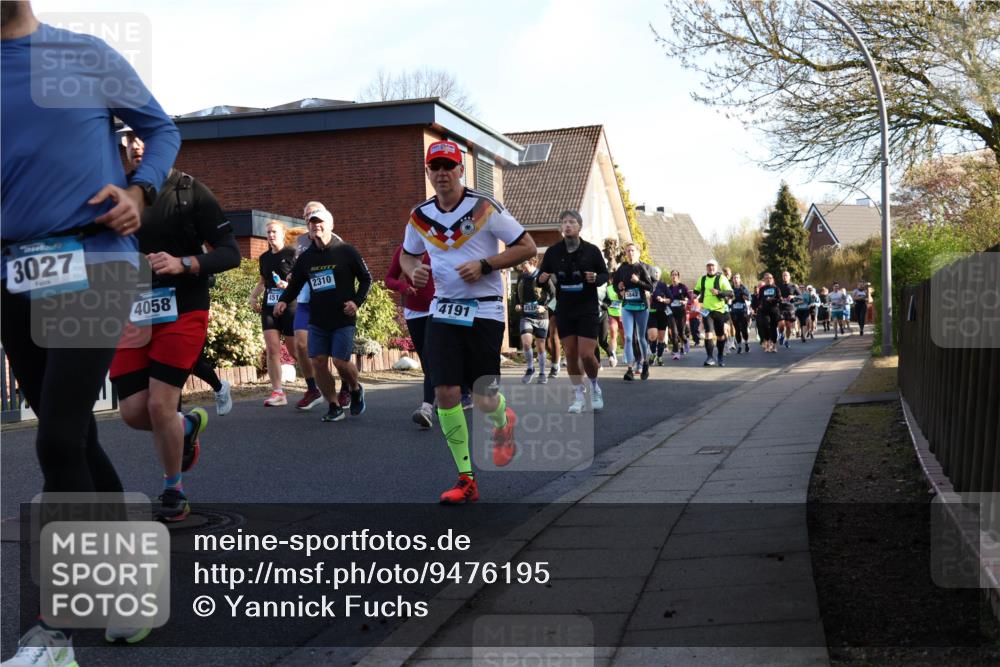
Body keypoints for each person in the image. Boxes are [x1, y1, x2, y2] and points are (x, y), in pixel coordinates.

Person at [1, 3, 181, 663]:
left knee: (54, 436)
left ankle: (57, 631)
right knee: (73, 431)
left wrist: (142, 188)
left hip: (95, 260)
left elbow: (161, 129)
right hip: (15, 270)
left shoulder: (82, 54)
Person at [399, 139, 536, 503]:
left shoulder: (484, 208)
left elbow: (527, 246)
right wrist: (413, 273)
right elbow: (407, 257)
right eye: (435, 167)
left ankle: (503, 422)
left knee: (483, 395)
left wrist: (486, 265)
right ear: (428, 173)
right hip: (443, 310)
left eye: (449, 166)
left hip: (486, 309)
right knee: (445, 391)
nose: (442, 174)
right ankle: (466, 479)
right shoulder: (420, 216)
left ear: (461, 170)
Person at [110, 143, 241, 523]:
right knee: (134, 412)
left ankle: (174, 489)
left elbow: (230, 252)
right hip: (133, 311)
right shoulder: (114, 191)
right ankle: (187, 425)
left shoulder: (189, 191)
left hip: (183, 308)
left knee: (159, 404)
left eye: (143, 137)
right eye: (127, 139)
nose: (135, 146)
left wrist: (184, 263)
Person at [274, 208, 371, 422]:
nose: (315, 225)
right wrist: (283, 300)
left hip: (342, 317)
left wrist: (356, 302)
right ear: (307, 228)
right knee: (318, 361)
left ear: (331, 225)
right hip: (317, 318)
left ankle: (355, 388)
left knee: (340, 362)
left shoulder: (346, 251)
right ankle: (334, 406)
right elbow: (296, 284)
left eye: (320, 222)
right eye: (311, 222)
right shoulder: (306, 258)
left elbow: (366, 279)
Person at [538, 210, 608, 413]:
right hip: (565, 308)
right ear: (561, 228)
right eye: (564, 222)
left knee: (586, 354)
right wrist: (540, 279)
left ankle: (594, 386)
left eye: (572, 222)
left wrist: (596, 278)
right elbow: (541, 277)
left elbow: (605, 275)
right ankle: (578, 395)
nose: (567, 225)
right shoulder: (553, 252)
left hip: (587, 308)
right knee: (570, 354)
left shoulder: (592, 251)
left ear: (579, 227)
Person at [249, 220, 302, 407]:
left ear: (282, 234)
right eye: (268, 232)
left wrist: (287, 286)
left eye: (274, 232)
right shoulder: (264, 258)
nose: (271, 235)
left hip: (290, 306)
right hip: (269, 307)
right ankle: (278, 392)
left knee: (296, 351)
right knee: (272, 349)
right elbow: (263, 281)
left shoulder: (292, 253)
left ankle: (315, 383)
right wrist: (253, 297)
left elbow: (300, 281)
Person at [613, 243, 653, 381]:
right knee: (629, 337)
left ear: (637, 253)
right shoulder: (622, 268)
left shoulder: (642, 267)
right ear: (625, 254)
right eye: (628, 251)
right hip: (627, 307)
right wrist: (619, 288)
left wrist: (638, 281)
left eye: (632, 250)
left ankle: (645, 363)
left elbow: (650, 287)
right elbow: (615, 284)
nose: (630, 253)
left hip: (641, 307)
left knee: (641, 337)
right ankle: (629, 369)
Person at [511, 256, 552, 384]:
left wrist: (545, 307)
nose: (521, 267)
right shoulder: (521, 277)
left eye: (523, 264)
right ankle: (530, 368)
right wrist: (517, 304)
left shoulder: (542, 276)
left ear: (532, 262)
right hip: (526, 315)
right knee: (526, 343)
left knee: (540, 346)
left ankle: (542, 373)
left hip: (541, 316)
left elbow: (555, 296)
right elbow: (517, 294)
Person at [693, 259, 734, 367]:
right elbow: (696, 291)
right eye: (709, 266)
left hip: (719, 310)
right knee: (708, 333)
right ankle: (710, 357)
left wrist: (719, 292)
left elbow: (730, 293)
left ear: (716, 267)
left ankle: (720, 355)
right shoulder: (702, 279)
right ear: (706, 268)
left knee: (720, 336)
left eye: (713, 266)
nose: (711, 268)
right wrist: (694, 296)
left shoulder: (721, 278)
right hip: (707, 311)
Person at [664, 270, 690, 359]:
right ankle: (676, 352)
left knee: (681, 333)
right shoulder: (669, 288)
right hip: (671, 313)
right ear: (671, 277)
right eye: (672, 275)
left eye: (675, 275)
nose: (674, 276)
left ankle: (685, 341)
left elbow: (690, 298)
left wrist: (685, 301)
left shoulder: (683, 287)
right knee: (674, 333)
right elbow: (666, 299)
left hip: (681, 313)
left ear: (678, 276)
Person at [647, 267, 670, 365]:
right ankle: (653, 353)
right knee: (652, 335)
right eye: (654, 272)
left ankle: (659, 357)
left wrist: (663, 300)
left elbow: (670, 299)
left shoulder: (663, 285)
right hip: (651, 313)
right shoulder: (647, 284)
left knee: (661, 338)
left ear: (660, 275)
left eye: (657, 272)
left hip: (662, 313)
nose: (656, 274)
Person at [755, 273, 781, 353]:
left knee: (773, 328)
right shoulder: (762, 289)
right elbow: (759, 299)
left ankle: (774, 345)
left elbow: (779, 299)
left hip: (773, 310)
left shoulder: (776, 288)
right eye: (766, 278)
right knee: (765, 326)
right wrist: (759, 305)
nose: (768, 279)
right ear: (764, 280)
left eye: (770, 278)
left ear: (772, 279)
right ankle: (767, 344)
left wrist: (772, 299)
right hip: (764, 310)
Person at [776, 270, 799, 348]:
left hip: (789, 307)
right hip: (781, 307)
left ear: (789, 277)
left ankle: (787, 340)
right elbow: (775, 295)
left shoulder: (793, 286)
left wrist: (793, 296)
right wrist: (779, 298)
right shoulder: (778, 286)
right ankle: (781, 335)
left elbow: (800, 296)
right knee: (781, 324)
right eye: (783, 275)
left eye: (786, 275)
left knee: (788, 326)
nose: (785, 277)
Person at [730, 273, 752, 353]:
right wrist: (730, 299)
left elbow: (749, 298)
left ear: (740, 279)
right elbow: (727, 299)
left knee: (744, 329)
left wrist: (745, 297)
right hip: (734, 311)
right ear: (732, 280)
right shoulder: (730, 288)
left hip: (743, 311)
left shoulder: (743, 288)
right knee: (737, 329)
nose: (735, 279)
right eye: (734, 278)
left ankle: (746, 343)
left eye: (737, 278)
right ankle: (739, 346)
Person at [605, 273, 621, 367]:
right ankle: (613, 354)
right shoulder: (608, 289)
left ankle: (627, 354)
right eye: (612, 279)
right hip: (612, 314)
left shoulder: (622, 287)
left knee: (625, 336)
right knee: (613, 333)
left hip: (622, 314)